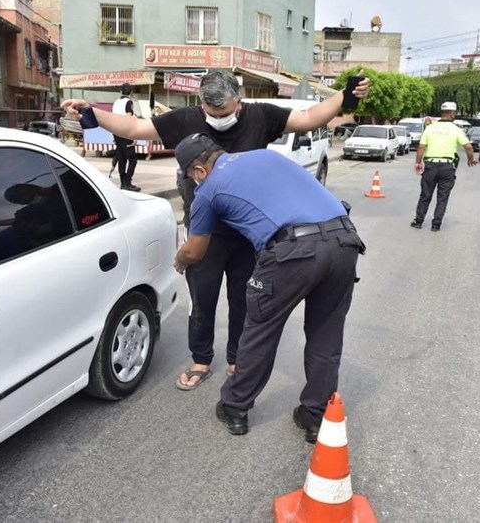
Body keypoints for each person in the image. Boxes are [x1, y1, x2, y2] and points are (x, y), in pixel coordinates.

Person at [61, 69, 369, 391]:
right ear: (201, 102)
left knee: (244, 299)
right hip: (203, 231)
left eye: (224, 112)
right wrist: (93, 113)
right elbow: (136, 127)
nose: (218, 119)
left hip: (249, 234)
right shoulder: (187, 119)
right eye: (211, 112)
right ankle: (201, 358)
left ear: (239, 100)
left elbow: (307, 118)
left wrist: (344, 98)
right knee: (202, 300)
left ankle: (237, 357)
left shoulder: (260, 116)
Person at [172, 134, 365, 441]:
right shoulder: (265, 155)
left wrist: (180, 260)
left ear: (198, 171)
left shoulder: (208, 190)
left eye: (191, 178)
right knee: (326, 335)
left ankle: (235, 408)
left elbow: (195, 251)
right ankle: (315, 418)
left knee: (260, 331)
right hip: (345, 241)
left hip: (292, 251)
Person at [410, 101, 477, 232]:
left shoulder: (430, 128)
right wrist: (470, 159)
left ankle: (418, 221)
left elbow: (421, 147)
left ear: (442, 113)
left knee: (425, 195)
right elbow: (468, 146)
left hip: (430, 166)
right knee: (442, 197)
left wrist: (418, 162)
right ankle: (436, 225)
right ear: (453, 114)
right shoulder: (456, 129)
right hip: (447, 168)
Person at [112, 83, 140, 191]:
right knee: (132, 159)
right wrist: (133, 136)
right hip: (125, 133)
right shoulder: (128, 102)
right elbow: (128, 118)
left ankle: (123, 182)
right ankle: (127, 182)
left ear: (120, 92)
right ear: (131, 93)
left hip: (116, 133)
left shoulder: (116, 103)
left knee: (121, 159)